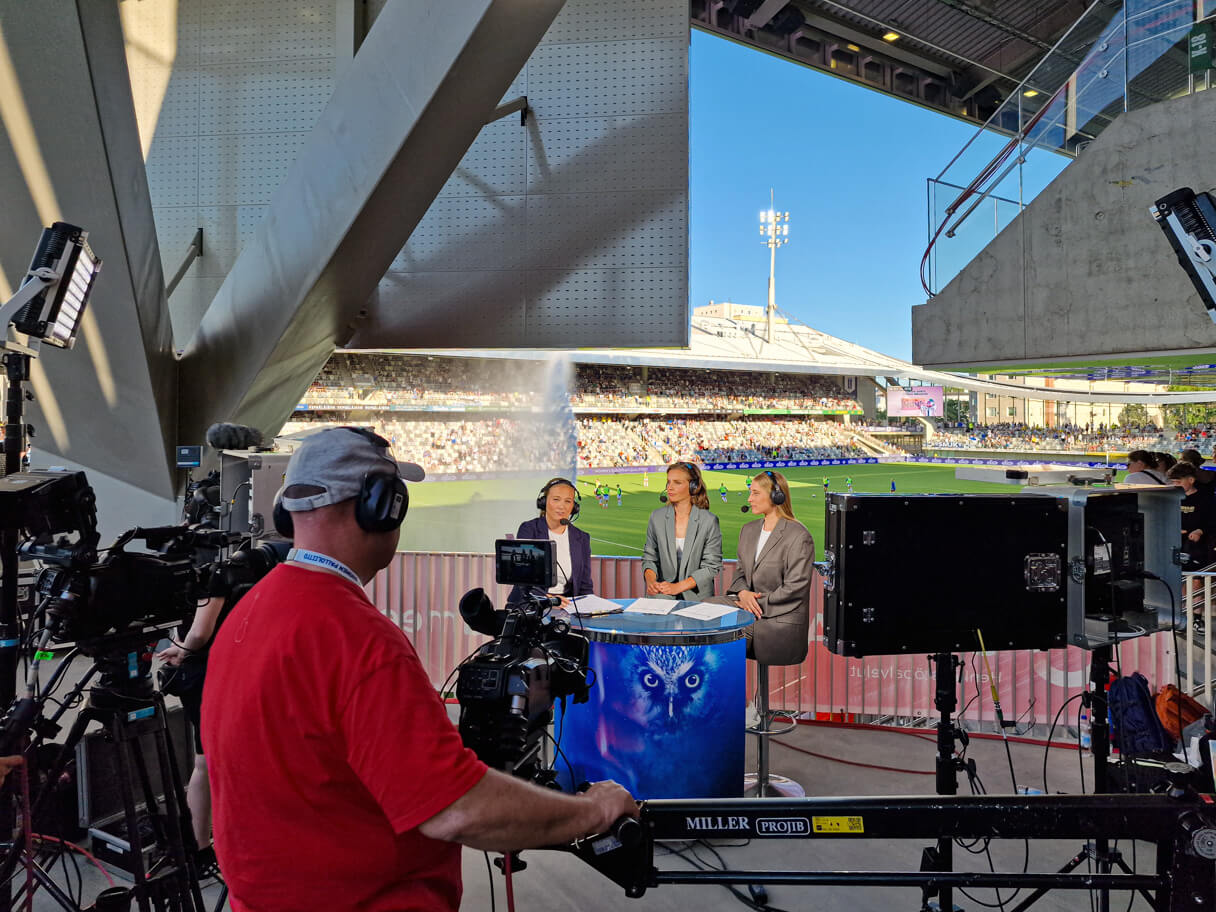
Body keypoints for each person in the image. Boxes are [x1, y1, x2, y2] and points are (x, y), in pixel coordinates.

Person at [202, 428, 636, 912]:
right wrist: (592, 812)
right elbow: (457, 810)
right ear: (381, 506)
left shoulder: (248, 610)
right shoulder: (359, 641)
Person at [726, 470, 814, 664]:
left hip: (777, 620)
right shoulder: (747, 530)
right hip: (747, 609)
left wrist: (752, 604)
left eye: (756, 493)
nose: (749, 499)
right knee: (706, 607)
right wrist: (743, 594)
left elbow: (795, 588)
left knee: (720, 628)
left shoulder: (799, 536)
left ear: (777, 495)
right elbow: (740, 573)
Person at [641, 462, 723, 602]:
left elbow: (711, 567)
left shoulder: (709, 521)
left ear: (693, 486)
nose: (669, 487)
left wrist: (677, 587)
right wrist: (651, 582)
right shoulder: (657, 517)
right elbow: (649, 558)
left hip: (697, 598)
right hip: (662, 596)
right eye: (668, 482)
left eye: (677, 482)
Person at [509, 478, 593, 606]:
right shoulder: (529, 529)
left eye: (568, 501)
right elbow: (522, 580)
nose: (562, 506)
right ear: (544, 502)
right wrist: (548, 600)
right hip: (532, 604)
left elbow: (585, 585)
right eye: (556, 499)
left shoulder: (582, 538)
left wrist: (589, 609)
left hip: (567, 605)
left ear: (574, 507)